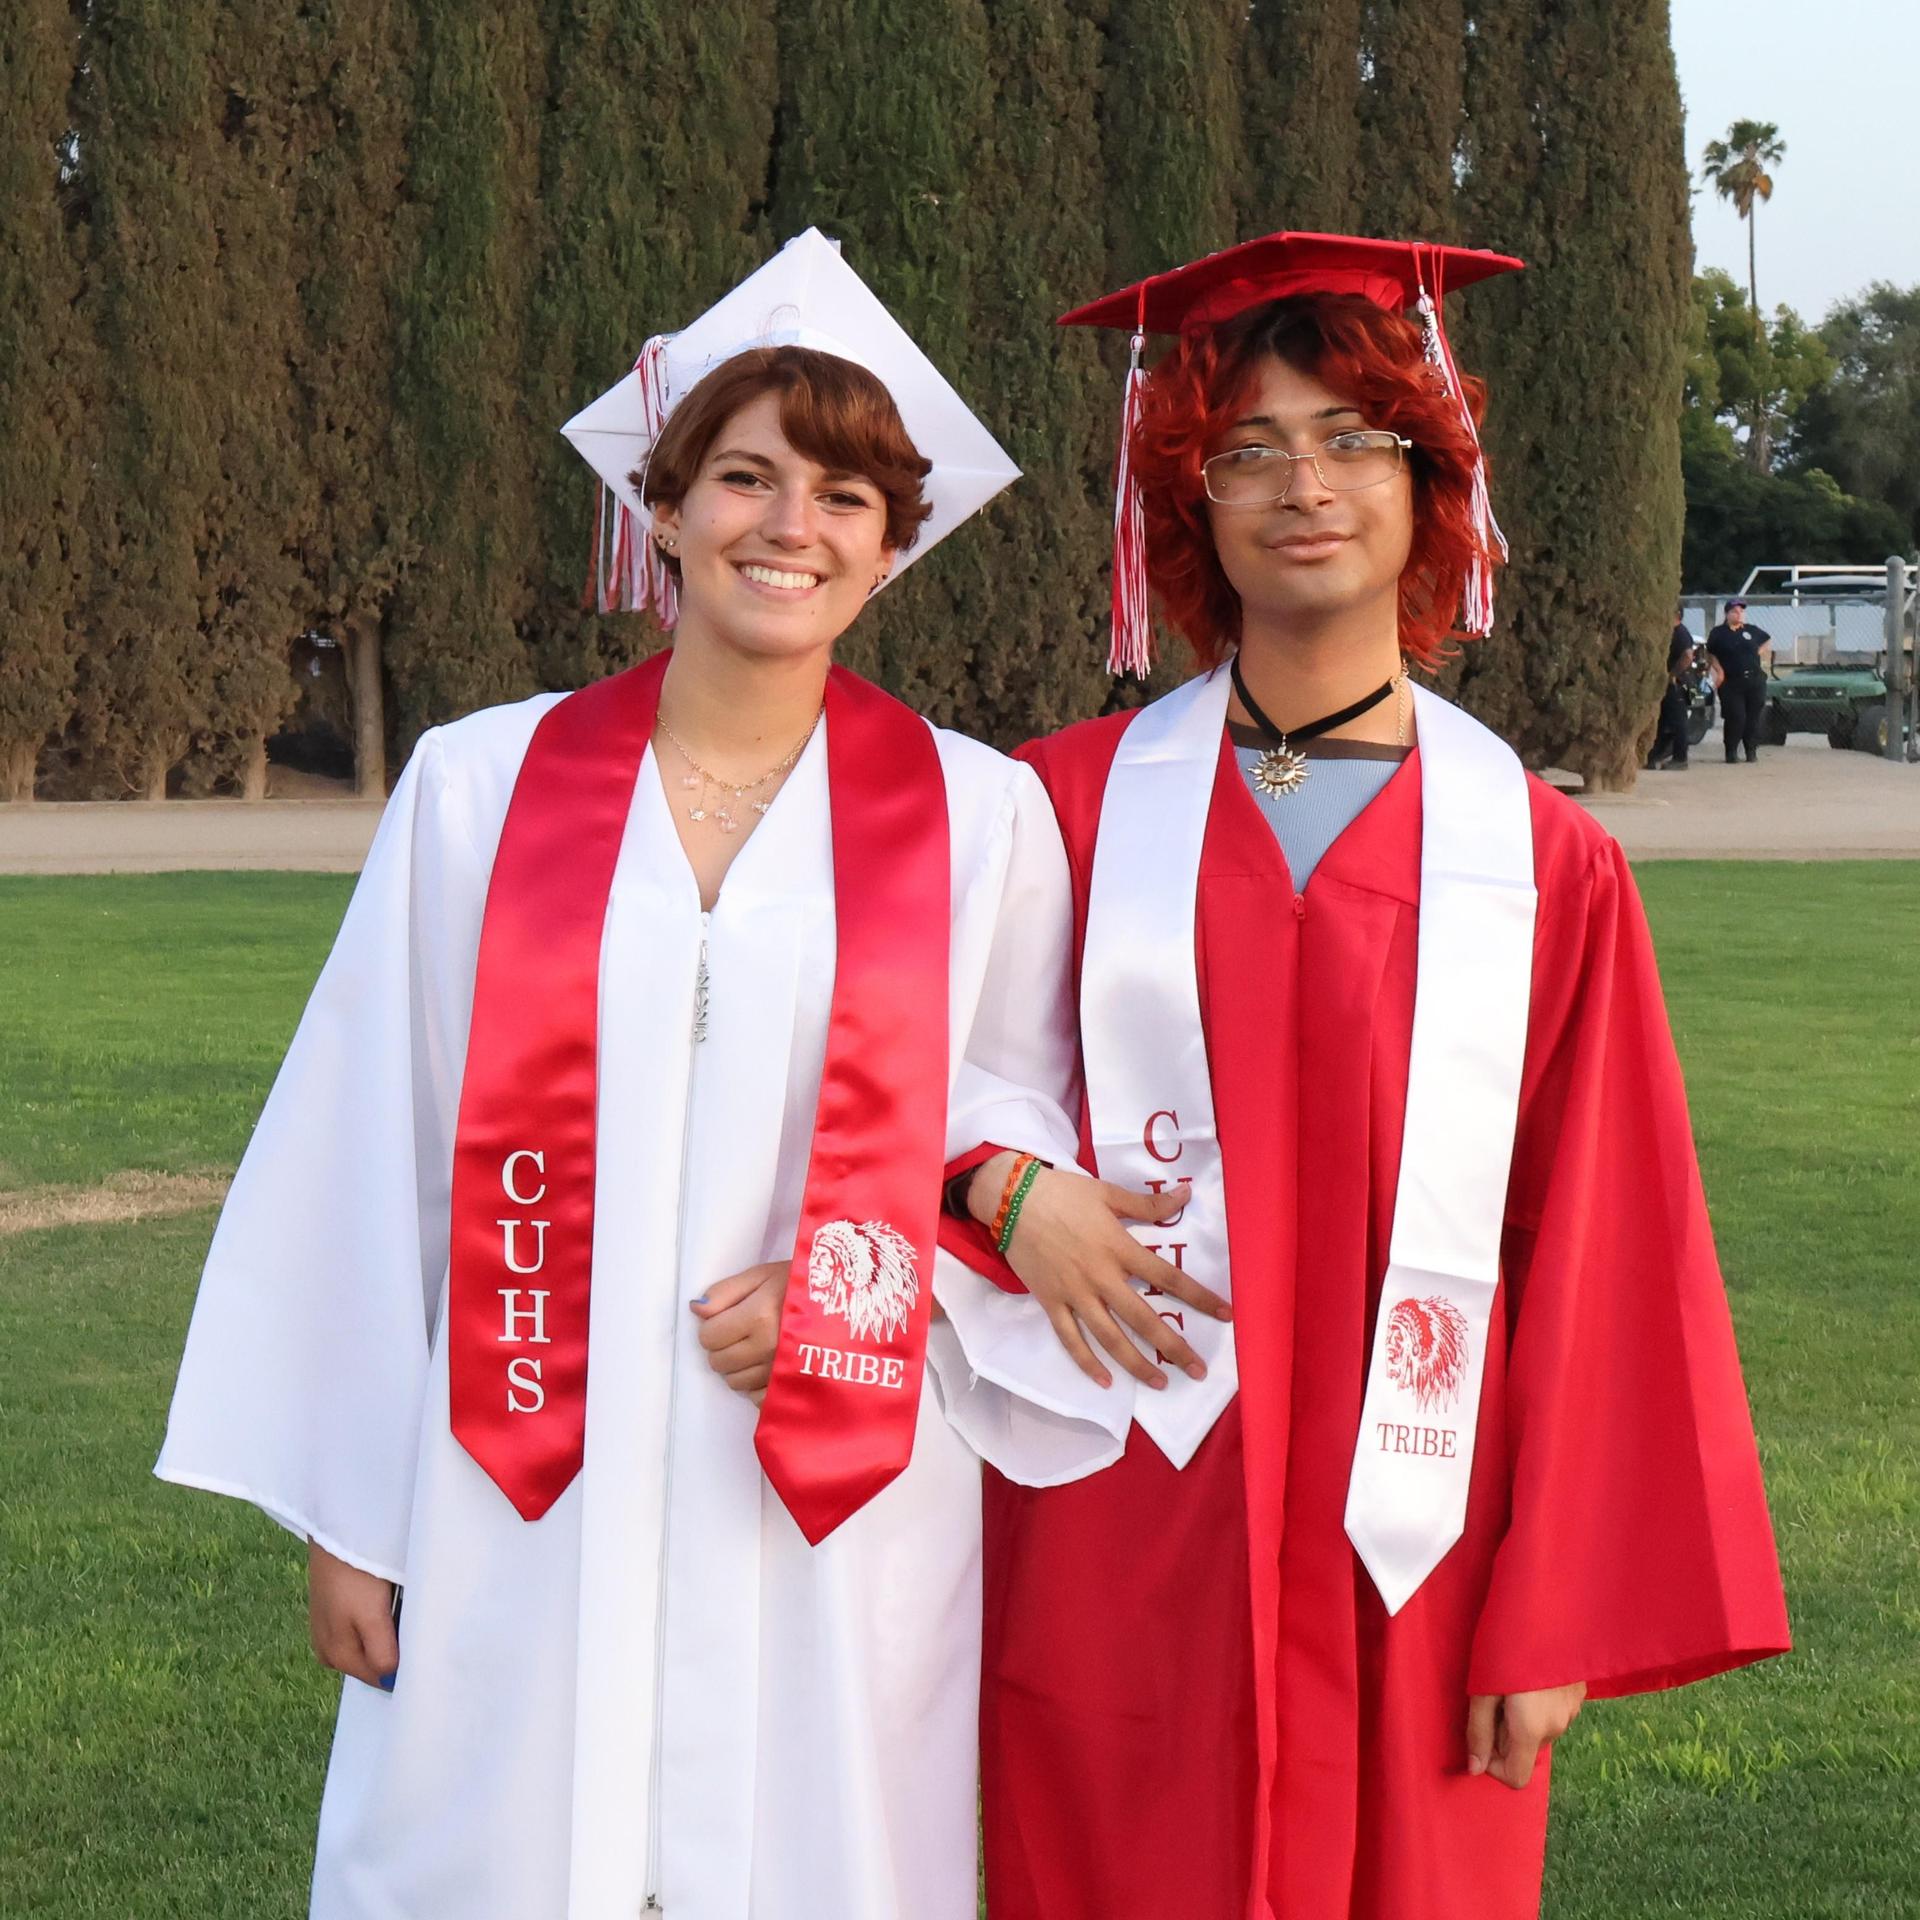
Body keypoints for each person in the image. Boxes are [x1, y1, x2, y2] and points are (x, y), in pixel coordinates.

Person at [154, 230, 1189, 1920]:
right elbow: (370, 1148)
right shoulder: (477, 795)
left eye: (844, 494)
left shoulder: (981, 818)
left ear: (890, 543)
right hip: (515, 1484)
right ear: (666, 505)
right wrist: (353, 1507)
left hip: (830, 1483)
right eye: (745, 476)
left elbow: (1003, 1130)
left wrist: (868, 1280)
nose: (790, 524)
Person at [951, 232, 1791, 1920]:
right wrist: (999, 1186)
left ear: (1433, 487)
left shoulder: (1543, 868)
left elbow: (1607, 1255)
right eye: (1245, 450)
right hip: (1126, 1518)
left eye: (1352, 439)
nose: (1301, 485)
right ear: (1186, 502)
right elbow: (880, 1087)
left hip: (1424, 1547)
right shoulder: (1051, 811)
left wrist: (1548, 1603)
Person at [1707, 597, 1773, 762]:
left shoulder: (1751, 630)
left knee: (1753, 717)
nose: (1739, 614)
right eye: (1735, 611)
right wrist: (1719, 671)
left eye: (1741, 611)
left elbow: (1767, 640)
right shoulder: (1719, 633)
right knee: (1736, 716)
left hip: (1754, 680)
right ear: (1727, 613)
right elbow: (1710, 653)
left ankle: (1751, 750)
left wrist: (1758, 652)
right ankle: (1731, 751)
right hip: (1731, 682)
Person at [1648, 606, 1696, 769]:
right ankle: (1654, 756)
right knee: (1664, 721)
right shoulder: (1669, 633)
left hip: (1677, 684)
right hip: (1667, 684)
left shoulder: (1681, 633)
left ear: (1677, 615)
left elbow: (1688, 656)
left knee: (1678, 722)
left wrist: (1673, 674)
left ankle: (1680, 758)